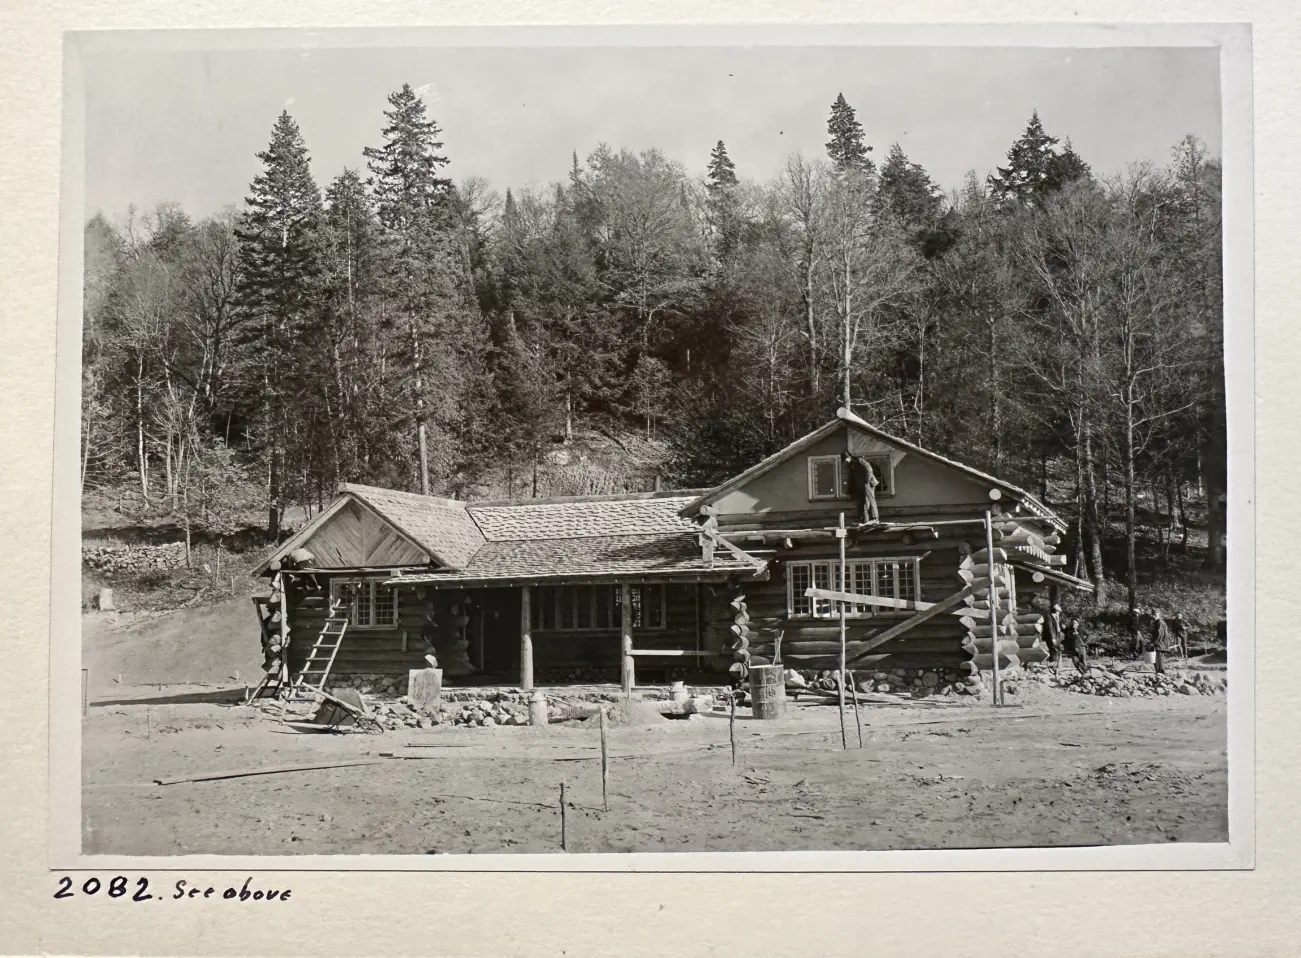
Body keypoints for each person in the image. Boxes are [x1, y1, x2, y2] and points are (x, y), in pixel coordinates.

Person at [843, 453, 880, 524]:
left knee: (871, 499)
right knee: (862, 502)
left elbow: (869, 469)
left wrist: (867, 480)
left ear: (850, 457)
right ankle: (864, 520)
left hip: (868, 484)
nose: (846, 461)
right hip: (860, 485)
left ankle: (875, 518)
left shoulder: (860, 461)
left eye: (847, 459)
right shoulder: (851, 464)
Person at [1149, 609, 1173, 674]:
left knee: (1159, 659)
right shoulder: (1156, 622)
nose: (1154, 616)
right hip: (1157, 643)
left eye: (1155, 614)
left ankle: (1161, 673)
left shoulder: (1160, 623)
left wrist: (1153, 643)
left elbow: (1159, 634)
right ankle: (1158, 672)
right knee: (1155, 658)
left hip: (1160, 643)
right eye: (1153, 614)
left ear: (1159, 614)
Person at [1044, 603, 1065, 672]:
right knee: (1054, 650)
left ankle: (1055, 668)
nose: (1059, 607)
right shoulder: (1049, 616)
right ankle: (1052, 668)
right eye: (1058, 607)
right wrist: (1053, 638)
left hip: (1058, 635)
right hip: (1052, 636)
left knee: (1058, 651)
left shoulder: (1058, 616)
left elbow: (1059, 626)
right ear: (1055, 609)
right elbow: (1050, 628)